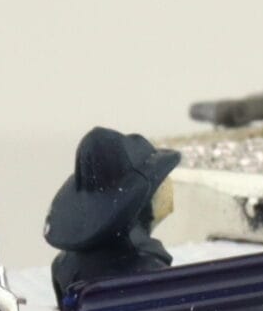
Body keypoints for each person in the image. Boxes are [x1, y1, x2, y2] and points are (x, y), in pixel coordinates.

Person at [43, 127, 181, 301]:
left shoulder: (63, 268)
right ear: (143, 202)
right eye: (161, 181)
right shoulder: (148, 269)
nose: (169, 186)